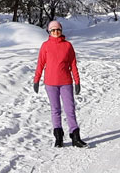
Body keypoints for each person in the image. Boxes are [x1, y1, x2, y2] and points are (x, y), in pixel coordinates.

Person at [34, 20, 87, 148]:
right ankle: (58, 137)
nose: (56, 32)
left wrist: (77, 81)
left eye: (58, 30)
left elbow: (73, 65)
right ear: (49, 32)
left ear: (61, 31)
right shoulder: (45, 46)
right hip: (50, 83)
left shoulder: (68, 46)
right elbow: (40, 64)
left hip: (65, 82)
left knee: (70, 109)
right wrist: (36, 80)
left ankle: (75, 136)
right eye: (53, 30)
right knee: (55, 110)